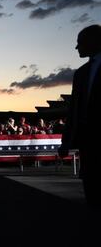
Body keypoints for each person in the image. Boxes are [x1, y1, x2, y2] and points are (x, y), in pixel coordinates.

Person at [59, 24, 101, 208]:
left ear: (93, 42)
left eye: (80, 43)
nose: (77, 47)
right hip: (89, 143)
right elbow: (74, 110)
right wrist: (66, 141)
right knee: (92, 192)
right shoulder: (81, 73)